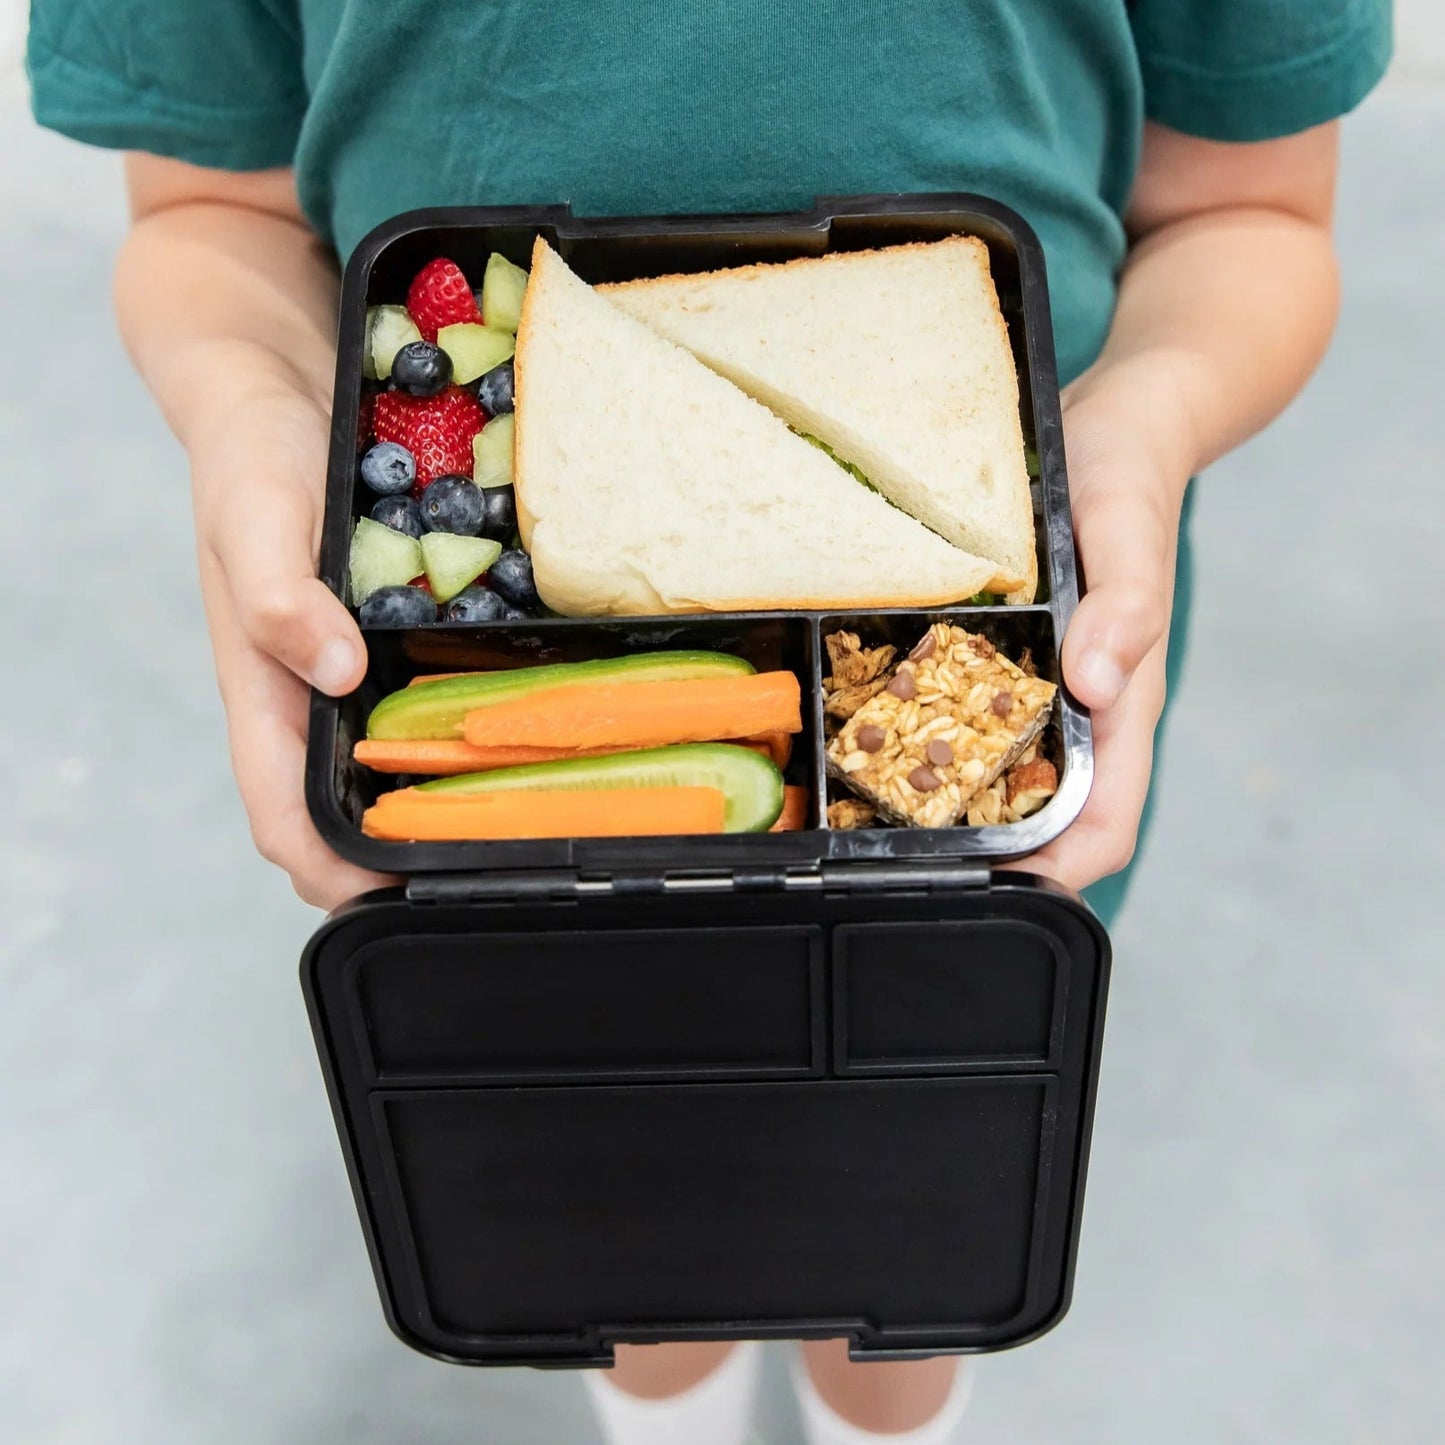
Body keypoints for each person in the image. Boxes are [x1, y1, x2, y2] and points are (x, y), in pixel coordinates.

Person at [27, 2, 1391, 1441]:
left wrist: (1147, 421)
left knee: (911, 1231)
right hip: (483, 777)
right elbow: (207, 211)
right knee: (621, 1226)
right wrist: (252, 397)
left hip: (1035, 651)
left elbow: (1247, 205)